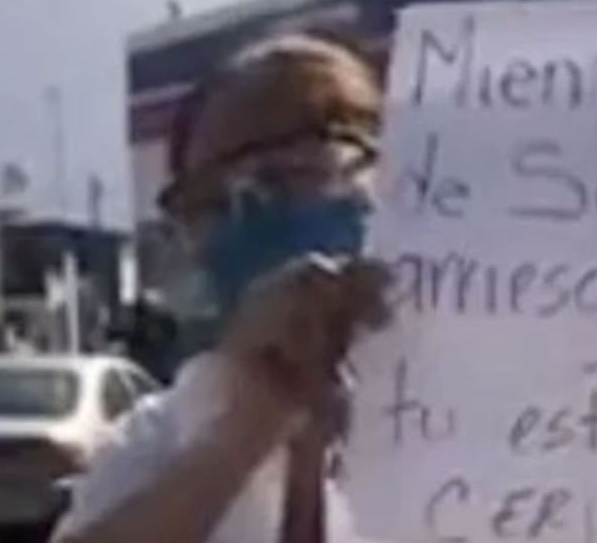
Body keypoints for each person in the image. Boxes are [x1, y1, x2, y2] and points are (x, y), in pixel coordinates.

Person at [51, 32, 394, 543]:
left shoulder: (480, 416)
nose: (253, 213)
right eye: (211, 201)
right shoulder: (163, 441)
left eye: (293, 175)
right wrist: (248, 429)